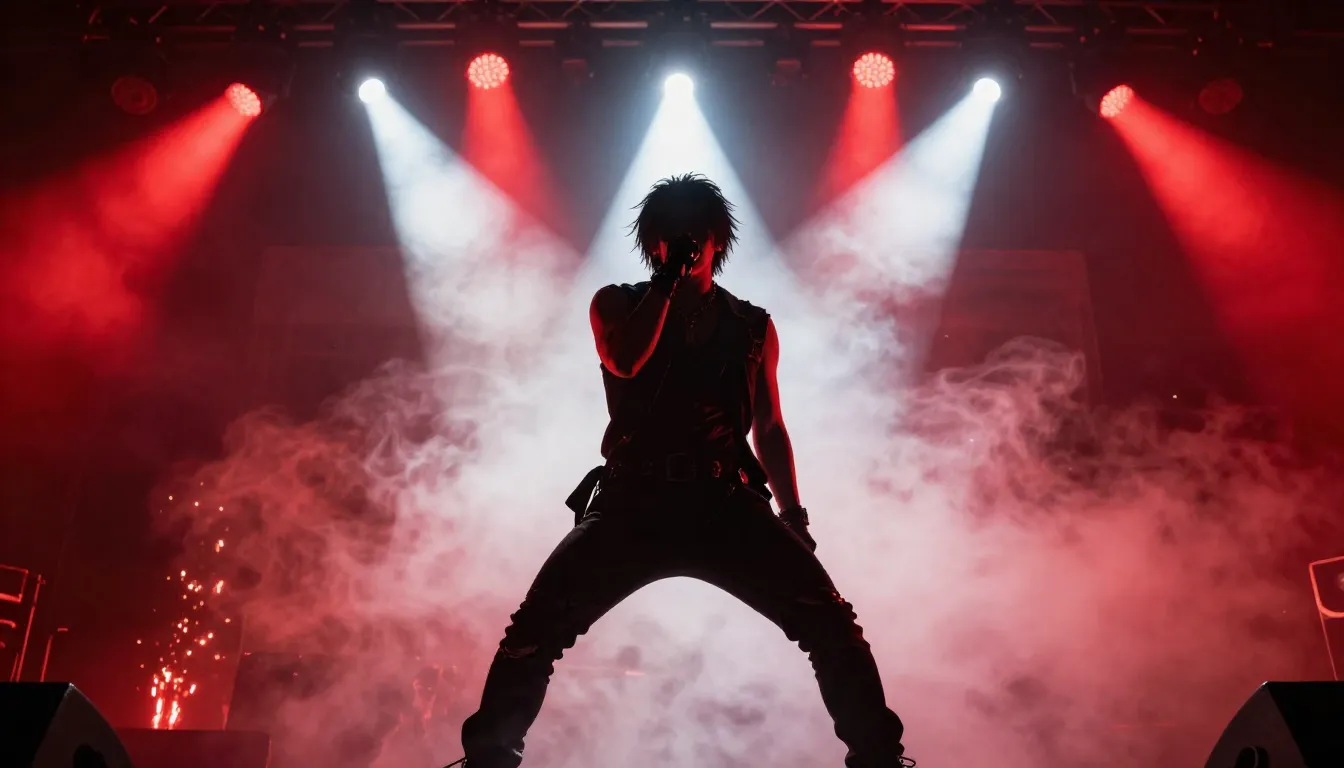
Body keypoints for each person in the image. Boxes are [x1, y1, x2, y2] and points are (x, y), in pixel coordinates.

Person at [453, 174, 912, 768]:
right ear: (653, 242)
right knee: (534, 631)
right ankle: (488, 759)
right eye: (670, 232)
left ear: (719, 238)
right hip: (633, 501)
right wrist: (667, 282)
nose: (685, 239)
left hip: (724, 501)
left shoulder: (752, 325)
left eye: (696, 229)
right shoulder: (617, 303)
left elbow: (769, 426)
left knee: (831, 624)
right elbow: (625, 360)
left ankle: (879, 759)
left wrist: (793, 514)